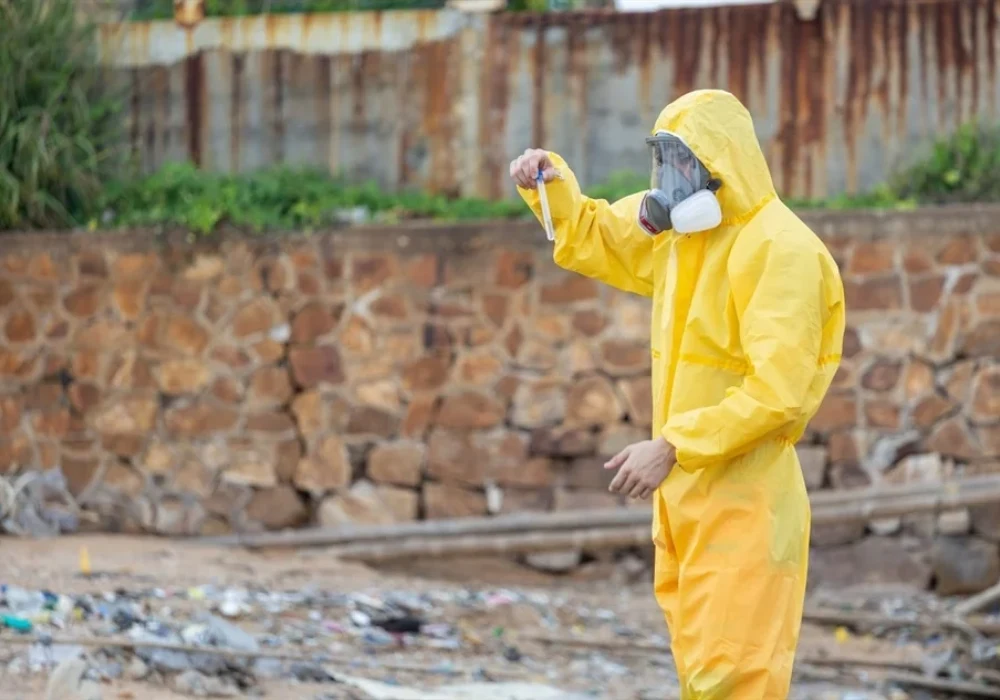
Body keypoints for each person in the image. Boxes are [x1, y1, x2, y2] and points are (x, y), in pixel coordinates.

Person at [510, 89, 845, 699]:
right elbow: (593, 235)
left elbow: (780, 393)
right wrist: (547, 181)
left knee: (734, 679)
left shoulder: (780, 251)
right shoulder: (682, 237)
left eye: (683, 163)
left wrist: (672, 445)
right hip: (688, 502)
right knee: (700, 675)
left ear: (724, 163)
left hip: (746, 507)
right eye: (663, 162)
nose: (669, 181)